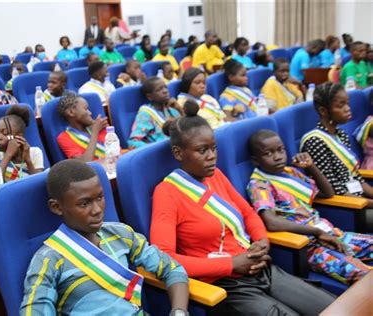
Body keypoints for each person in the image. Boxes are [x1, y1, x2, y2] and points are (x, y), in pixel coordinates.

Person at [150, 104, 336, 315]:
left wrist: (261, 243)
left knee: (334, 307)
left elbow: (248, 213)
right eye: (202, 151)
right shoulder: (166, 193)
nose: (212, 156)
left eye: (214, 148)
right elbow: (164, 258)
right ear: (178, 153)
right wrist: (231, 264)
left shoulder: (215, 175)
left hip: (260, 268)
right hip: (225, 284)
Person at [20, 159, 189, 315]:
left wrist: (179, 311)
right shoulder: (48, 259)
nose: (97, 210)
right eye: (84, 203)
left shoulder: (121, 234)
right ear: (57, 207)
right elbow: (34, 310)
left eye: (99, 198)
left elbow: (172, 269)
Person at [247, 129, 372, 286]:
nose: (278, 156)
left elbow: (327, 193)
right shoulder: (259, 184)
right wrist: (316, 232)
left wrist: (311, 167)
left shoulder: (290, 172)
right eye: (269, 153)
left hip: (333, 234)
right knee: (364, 276)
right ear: (255, 160)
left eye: (280, 150)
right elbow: (271, 222)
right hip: (311, 247)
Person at [301, 82, 373, 207]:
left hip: (359, 198)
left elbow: (356, 178)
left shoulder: (341, 135)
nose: (347, 108)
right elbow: (334, 189)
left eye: (347, 103)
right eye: (341, 105)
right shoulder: (315, 142)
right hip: (347, 207)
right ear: (323, 111)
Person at [0, 105, 44, 182]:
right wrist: (8, 155)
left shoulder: (34, 152)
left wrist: (28, 160)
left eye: (5, 133)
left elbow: (39, 182)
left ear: (18, 137)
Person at [128, 77, 182, 148]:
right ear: (150, 97)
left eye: (165, 87)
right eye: (159, 89)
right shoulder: (145, 114)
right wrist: (154, 150)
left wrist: (180, 109)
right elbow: (133, 142)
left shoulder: (172, 109)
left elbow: (186, 130)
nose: (165, 91)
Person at [56, 93, 108, 161]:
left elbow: (117, 151)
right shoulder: (64, 138)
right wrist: (95, 132)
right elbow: (86, 162)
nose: (90, 113)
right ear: (71, 112)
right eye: (85, 109)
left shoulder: (99, 125)